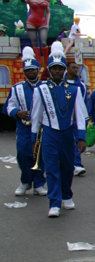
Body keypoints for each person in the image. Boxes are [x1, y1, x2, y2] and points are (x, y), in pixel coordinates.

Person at [30, 42, 88, 218]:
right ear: (49, 69)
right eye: (54, 68)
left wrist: (81, 137)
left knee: (68, 166)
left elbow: (80, 114)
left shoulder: (74, 90)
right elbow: (35, 116)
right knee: (52, 167)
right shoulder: (41, 90)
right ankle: (54, 202)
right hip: (49, 133)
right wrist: (34, 140)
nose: (57, 71)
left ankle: (66, 195)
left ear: (64, 70)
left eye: (60, 68)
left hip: (67, 133)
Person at [4, 48, 47, 196]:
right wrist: (17, 113)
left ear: (38, 70)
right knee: (23, 154)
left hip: (42, 128)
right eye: (27, 71)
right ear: (24, 72)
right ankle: (26, 181)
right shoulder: (17, 88)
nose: (30, 73)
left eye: (33, 70)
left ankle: (39, 184)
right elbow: (9, 106)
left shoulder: (46, 86)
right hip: (24, 128)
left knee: (40, 155)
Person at [66, 60, 88, 176]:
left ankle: (77, 164)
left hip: (76, 119)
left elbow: (83, 103)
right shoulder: (61, 82)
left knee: (77, 141)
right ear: (67, 69)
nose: (75, 70)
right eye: (73, 68)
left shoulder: (81, 86)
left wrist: (84, 118)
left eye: (77, 68)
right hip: (64, 118)